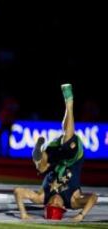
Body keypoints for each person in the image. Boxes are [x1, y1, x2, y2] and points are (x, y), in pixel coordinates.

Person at [14, 84, 98, 221]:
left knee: (41, 168)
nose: (53, 202)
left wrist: (23, 214)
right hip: (73, 157)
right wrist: (81, 215)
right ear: (63, 208)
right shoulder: (73, 201)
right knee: (67, 142)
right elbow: (94, 197)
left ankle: (39, 156)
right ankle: (69, 103)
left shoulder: (42, 198)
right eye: (56, 205)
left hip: (54, 158)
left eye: (50, 205)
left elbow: (18, 191)